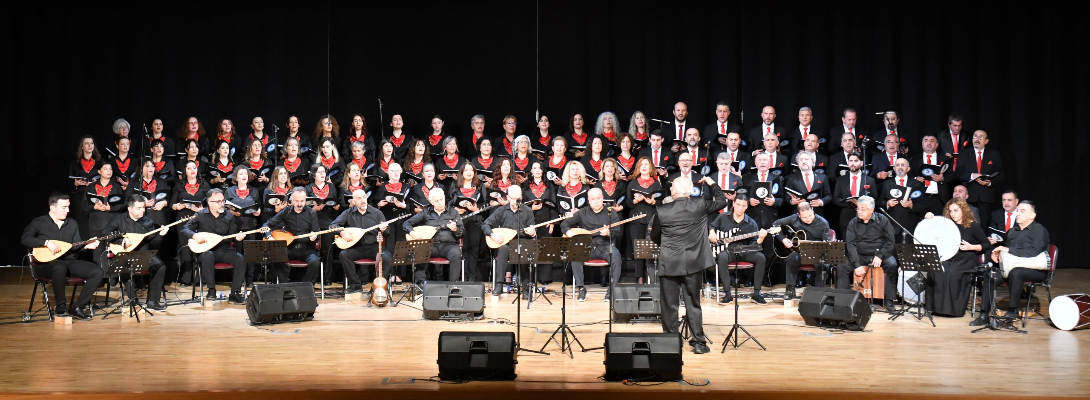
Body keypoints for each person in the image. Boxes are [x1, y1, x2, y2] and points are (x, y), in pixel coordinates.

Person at [655, 175, 726, 354]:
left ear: (673, 192)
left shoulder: (662, 210)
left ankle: (671, 343)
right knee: (693, 303)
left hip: (670, 262)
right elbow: (722, 200)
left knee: (669, 304)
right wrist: (711, 183)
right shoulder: (700, 204)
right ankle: (699, 343)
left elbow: (654, 236)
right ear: (689, 192)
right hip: (694, 262)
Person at [21, 193, 104, 320]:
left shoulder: (72, 224)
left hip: (68, 261)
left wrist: (86, 246)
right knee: (59, 267)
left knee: (97, 271)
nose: (68, 210)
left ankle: (77, 307)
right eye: (64, 207)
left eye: (68, 207)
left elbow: (75, 246)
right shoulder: (39, 222)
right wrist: (46, 243)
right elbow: (25, 239)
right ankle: (61, 306)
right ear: (52, 208)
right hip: (45, 264)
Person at [984, 200, 1050, 323]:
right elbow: (1006, 253)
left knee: (1016, 272)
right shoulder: (1012, 232)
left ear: (1032, 215)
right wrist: (998, 256)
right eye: (1018, 211)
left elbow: (1033, 252)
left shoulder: (1039, 230)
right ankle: (984, 314)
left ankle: (1013, 310)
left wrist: (1008, 250)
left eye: (1022, 211)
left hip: (1035, 269)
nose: (1018, 213)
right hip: (1011, 268)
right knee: (990, 274)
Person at [102, 194, 169, 311]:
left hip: (143, 255)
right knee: (125, 265)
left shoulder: (148, 222)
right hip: (124, 255)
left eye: (143, 207)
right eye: (138, 208)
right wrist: (121, 240)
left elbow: (154, 245)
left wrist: (160, 236)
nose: (142, 211)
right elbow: (105, 234)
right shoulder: (119, 219)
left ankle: (153, 301)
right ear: (129, 208)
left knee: (160, 266)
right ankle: (133, 299)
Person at [924, 198, 989, 318]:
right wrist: (929, 219)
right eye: (951, 211)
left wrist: (971, 247)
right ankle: (936, 308)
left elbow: (986, 244)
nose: (953, 214)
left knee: (952, 272)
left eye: (956, 210)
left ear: (963, 210)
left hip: (967, 257)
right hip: (950, 256)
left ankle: (953, 310)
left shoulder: (972, 226)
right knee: (937, 269)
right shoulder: (947, 225)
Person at [180, 189, 246, 303]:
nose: (222, 204)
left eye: (223, 201)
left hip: (224, 250)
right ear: (210, 202)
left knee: (241, 259)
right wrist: (195, 236)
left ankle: (235, 293)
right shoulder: (200, 215)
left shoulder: (229, 216)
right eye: (218, 201)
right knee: (208, 256)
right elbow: (184, 228)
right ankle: (211, 290)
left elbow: (232, 235)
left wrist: (237, 237)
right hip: (206, 250)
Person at [835, 195, 899, 312]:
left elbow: (890, 240)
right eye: (858, 208)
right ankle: (842, 299)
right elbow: (850, 244)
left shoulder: (882, 220)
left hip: (879, 255)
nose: (859, 211)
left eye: (862, 209)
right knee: (841, 265)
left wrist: (880, 256)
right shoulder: (853, 223)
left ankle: (889, 300)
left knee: (892, 264)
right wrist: (856, 264)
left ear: (871, 210)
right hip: (860, 255)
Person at [560, 188, 622, 302]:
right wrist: (569, 232)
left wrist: (608, 232)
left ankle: (612, 290)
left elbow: (617, 232)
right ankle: (581, 288)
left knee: (617, 256)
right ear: (588, 200)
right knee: (574, 255)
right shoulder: (582, 212)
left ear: (603, 198)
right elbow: (564, 224)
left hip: (605, 246)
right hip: (587, 247)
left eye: (599, 198)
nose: (596, 201)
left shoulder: (611, 212)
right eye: (593, 199)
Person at [330, 190, 393, 294]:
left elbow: (388, 232)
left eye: (364, 197)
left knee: (387, 257)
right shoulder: (348, 213)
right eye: (359, 198)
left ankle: (377, 287)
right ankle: (355, 285)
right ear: (354, 201)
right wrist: (342, 233)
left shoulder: (377, 213)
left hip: (374, 247)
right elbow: (332, 225)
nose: (363, 200)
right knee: (344, 255)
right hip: (356, 247)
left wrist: (384, 229)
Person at [710, 195, 769, 304]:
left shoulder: (751, 223)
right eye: (738, 205)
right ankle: (727, 295)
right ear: (733, 204)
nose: (740, 208)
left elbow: (754, 246)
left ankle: (756, 294)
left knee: (761, 257)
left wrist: (760, 239)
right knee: (721, 257)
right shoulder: (723, 217)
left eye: (743, 206)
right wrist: (712, 232)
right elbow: (712, 226)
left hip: (745, 250)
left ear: (747, 207)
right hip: (727, 250)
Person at [481, 185, 537, 295]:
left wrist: (533, 232)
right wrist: (492, 235)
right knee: (502, 250)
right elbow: (485, 225)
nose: (516, 201)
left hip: (523, 242)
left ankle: (526, 288)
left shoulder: (527, 211)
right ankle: (499, 285)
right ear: (508, 198)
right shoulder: (501, 210)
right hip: (507, 243)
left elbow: (532, 231)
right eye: (514, 198)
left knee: (525, 249)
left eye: (518, 198)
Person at [262, 188, 322, 286]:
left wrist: (315, 235)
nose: (299, 204)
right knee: (276, 258)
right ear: (292, 200)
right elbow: (266, 225)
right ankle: (285, 285)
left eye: (302, 201)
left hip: (306, 248)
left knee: (315, 262)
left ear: (305, 200)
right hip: (289, 247)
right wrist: (269, 237)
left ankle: (304, 286)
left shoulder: (311, 213)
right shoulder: (286, 212)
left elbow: (317, 232)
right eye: (297, 201)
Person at [772, 203, 833, 298]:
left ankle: (818, 292)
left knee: (822, 265)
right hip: (800, 252)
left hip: (817, 253)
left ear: (812, 210)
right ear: (798, 215)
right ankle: (790, 290)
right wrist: (783, 239)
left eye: (810, 215)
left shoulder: (823, 223)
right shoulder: (794, 218)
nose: (808, 219)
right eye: (804, 217)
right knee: (791, 259)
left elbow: (827, 244)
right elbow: (776, 224)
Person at [404, 190, 465, 282]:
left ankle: (453, 285)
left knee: (456, 254)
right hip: (431, 245)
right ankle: (420, 284)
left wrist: (455, 229)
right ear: (431, 201)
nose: (440, 203)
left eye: (441, 199)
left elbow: (462, 232)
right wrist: (412, 233)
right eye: (437, 201)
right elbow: (406, 223)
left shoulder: (453, 213)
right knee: (419, 251)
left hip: (449, 245)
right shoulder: (426, 212)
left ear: (444, 197)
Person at [626, 157, 662, 284]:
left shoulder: (656, 183)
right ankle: (639, 277)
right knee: (638, 249)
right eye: (641, 165)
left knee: (651, 248)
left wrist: (653, 201)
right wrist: (635, 200)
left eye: (646, 164)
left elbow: (661, 201)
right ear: (638, 168)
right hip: (636, 219)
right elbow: (627, 203)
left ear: (651, 167)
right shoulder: (633, 183)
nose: (644, 167)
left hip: (652, 219)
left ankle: (651, 276)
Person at [450, 162, 487, 282]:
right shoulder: (455, 186)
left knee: (474, 248)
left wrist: (476, 209)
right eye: (466, 170)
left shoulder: (480, 186)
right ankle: (463, 276)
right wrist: (455, 210)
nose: (469, 172)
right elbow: (449, 204)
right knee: (463, 248)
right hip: (460, 220)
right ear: (461, 173)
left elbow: (484, 204)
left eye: (471, 170)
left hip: (475, 220)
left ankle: (472, 276)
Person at [957, 130, 1002, 227]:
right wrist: (972, 176)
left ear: (986, 141)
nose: (977, 139)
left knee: (985, 224)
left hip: (986, 196)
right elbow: (958, 173)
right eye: (975, 136)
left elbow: (1000, 174)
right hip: (969, 196)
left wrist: (990, 182)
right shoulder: (964, 153)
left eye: (981, 137)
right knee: (967, 223)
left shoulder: (994, 154)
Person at [225, 167, 261, 286]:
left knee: (250, 254)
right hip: (235, 227)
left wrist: (258, 212)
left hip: (250, 226)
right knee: (238, 255)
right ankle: (238, 280)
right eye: (241, 174)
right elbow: (225, 208)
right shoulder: (229, 191)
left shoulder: (254, 191)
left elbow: (259, 207)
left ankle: (250, 281)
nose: (244, 176)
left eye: (246, 173)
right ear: (236, 177)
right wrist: (231, 212)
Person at [879, 158, 924, 241]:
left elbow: (921, 205)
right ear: (894, 168)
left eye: (903, 165)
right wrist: (887, 204)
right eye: (897, 165)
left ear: (908, 169)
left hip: (909, 227)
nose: (900, 167)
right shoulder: (886, 183)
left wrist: (911, 205)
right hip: (891, 227)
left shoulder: (917, 184)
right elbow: (880, 202)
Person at [832, 152, 876, 235]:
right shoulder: (841, 180)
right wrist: (848, 202)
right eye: (851, 161)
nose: (853, 163)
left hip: (865, 218)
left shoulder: (870, 180)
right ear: (848, 163)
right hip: (846, 218)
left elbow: (874, 199)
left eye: (856, 161)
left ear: (861, 163)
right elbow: (836, 199)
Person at [909, 134, 951, 217]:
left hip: (939, 199)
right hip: (920, 198)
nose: (928, 143)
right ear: (922, 144)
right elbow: (909, 176)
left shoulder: (945, 159)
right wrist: (915, 179)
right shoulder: (914, 159)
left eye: (932, 140)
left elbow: (952, 176)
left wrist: (942, 178)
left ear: (937, 145)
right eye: (926, 140)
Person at [784, 152, 831, 218]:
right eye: (801, 160)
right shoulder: (791, 178)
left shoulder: (822, 177)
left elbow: (828, 195)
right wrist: (792, 201)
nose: (803, 161)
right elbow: (786, 197)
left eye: (806, 159)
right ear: (798, 164)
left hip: (818, 215)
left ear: (812, 162)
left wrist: (821, 202)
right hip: (799, 215)